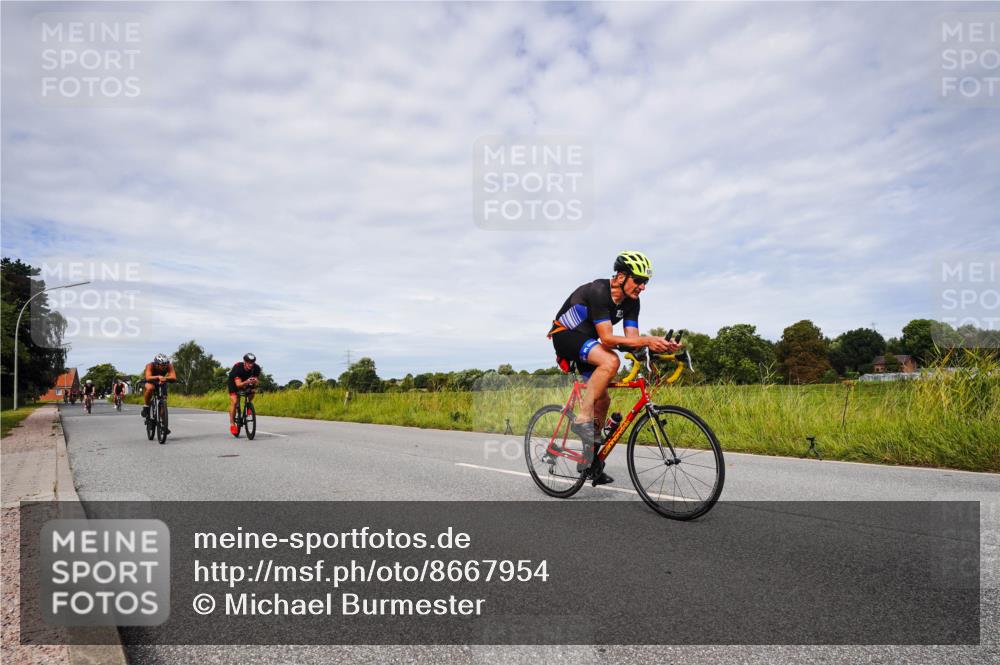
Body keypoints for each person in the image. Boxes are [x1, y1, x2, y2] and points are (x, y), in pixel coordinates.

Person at [548, 251, 678, 485]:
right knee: (611, 361)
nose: (642, 287)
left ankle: (589, 461)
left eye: (645, 282)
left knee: (604, 400)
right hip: (566, 336)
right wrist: (648, 340)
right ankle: (581, 418)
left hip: (589, 342)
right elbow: (608, 339)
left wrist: (660, 347)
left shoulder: (632, 303)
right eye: (638, 280)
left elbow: (633, 341)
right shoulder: (599, 290)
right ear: (620, 276)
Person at [228, 353, 261, 436]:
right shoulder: (238, 367)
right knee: (235, 401)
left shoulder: (256, 368)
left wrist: (256, 382)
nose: (251, 364)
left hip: (246, 382)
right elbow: (238, 385)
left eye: (252, 362)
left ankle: (248, 406)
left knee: (253, 391)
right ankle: (232, 424)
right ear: (244, 362)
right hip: (234, 384)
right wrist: (247, 381)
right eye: (249, 362)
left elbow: (257, 382)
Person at [142, 353, 176, 430]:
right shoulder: (150, 365)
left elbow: (173, 376)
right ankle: (146, 406)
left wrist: (165, 378)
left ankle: (164, 425)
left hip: (162, 381)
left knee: (163, 404)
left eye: (166, 365)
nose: (165, 367)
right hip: (151, 380)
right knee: (150, 388)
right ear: (157, 364)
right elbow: (148, 377)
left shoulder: (169, 366)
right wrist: (158, 377)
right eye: (162, 365)